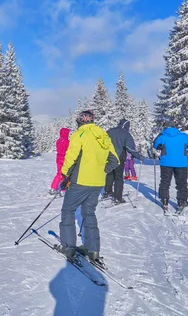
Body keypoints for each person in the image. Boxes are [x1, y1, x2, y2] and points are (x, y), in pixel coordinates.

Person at [58, 110, 119, 263]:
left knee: (68, 210)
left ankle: (68, 247)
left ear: (79, 121)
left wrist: (65, 175)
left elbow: (71, 157)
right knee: (89, 213)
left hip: (80, 181)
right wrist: (100, 171)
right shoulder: (103, 135)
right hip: (98, 182)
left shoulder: (80, 135)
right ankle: (93, 250)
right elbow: (114, 160)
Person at [153, 123, 188, 211]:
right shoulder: (183, 136)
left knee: (165, 182)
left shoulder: (163, 136)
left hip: (166, 163)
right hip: (181, 163)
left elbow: (155, 145)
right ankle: (181, 202)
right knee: (181, 184)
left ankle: (164, 201)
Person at [104, 119, 143, 204]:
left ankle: (108, 191)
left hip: (108, 157)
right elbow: (130, 148)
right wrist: (139, 157)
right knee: (118, 177)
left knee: (110, 174)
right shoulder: (126, 134)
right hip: (119, 157)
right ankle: (118, 197)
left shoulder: (110, 131)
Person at [50, 128, 70, 195]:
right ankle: (62, 189)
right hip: (64, 158)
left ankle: (54, 187)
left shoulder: (59, 140)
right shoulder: (67, 141)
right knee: (64, 174)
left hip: (58, 157)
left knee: (59, 173)